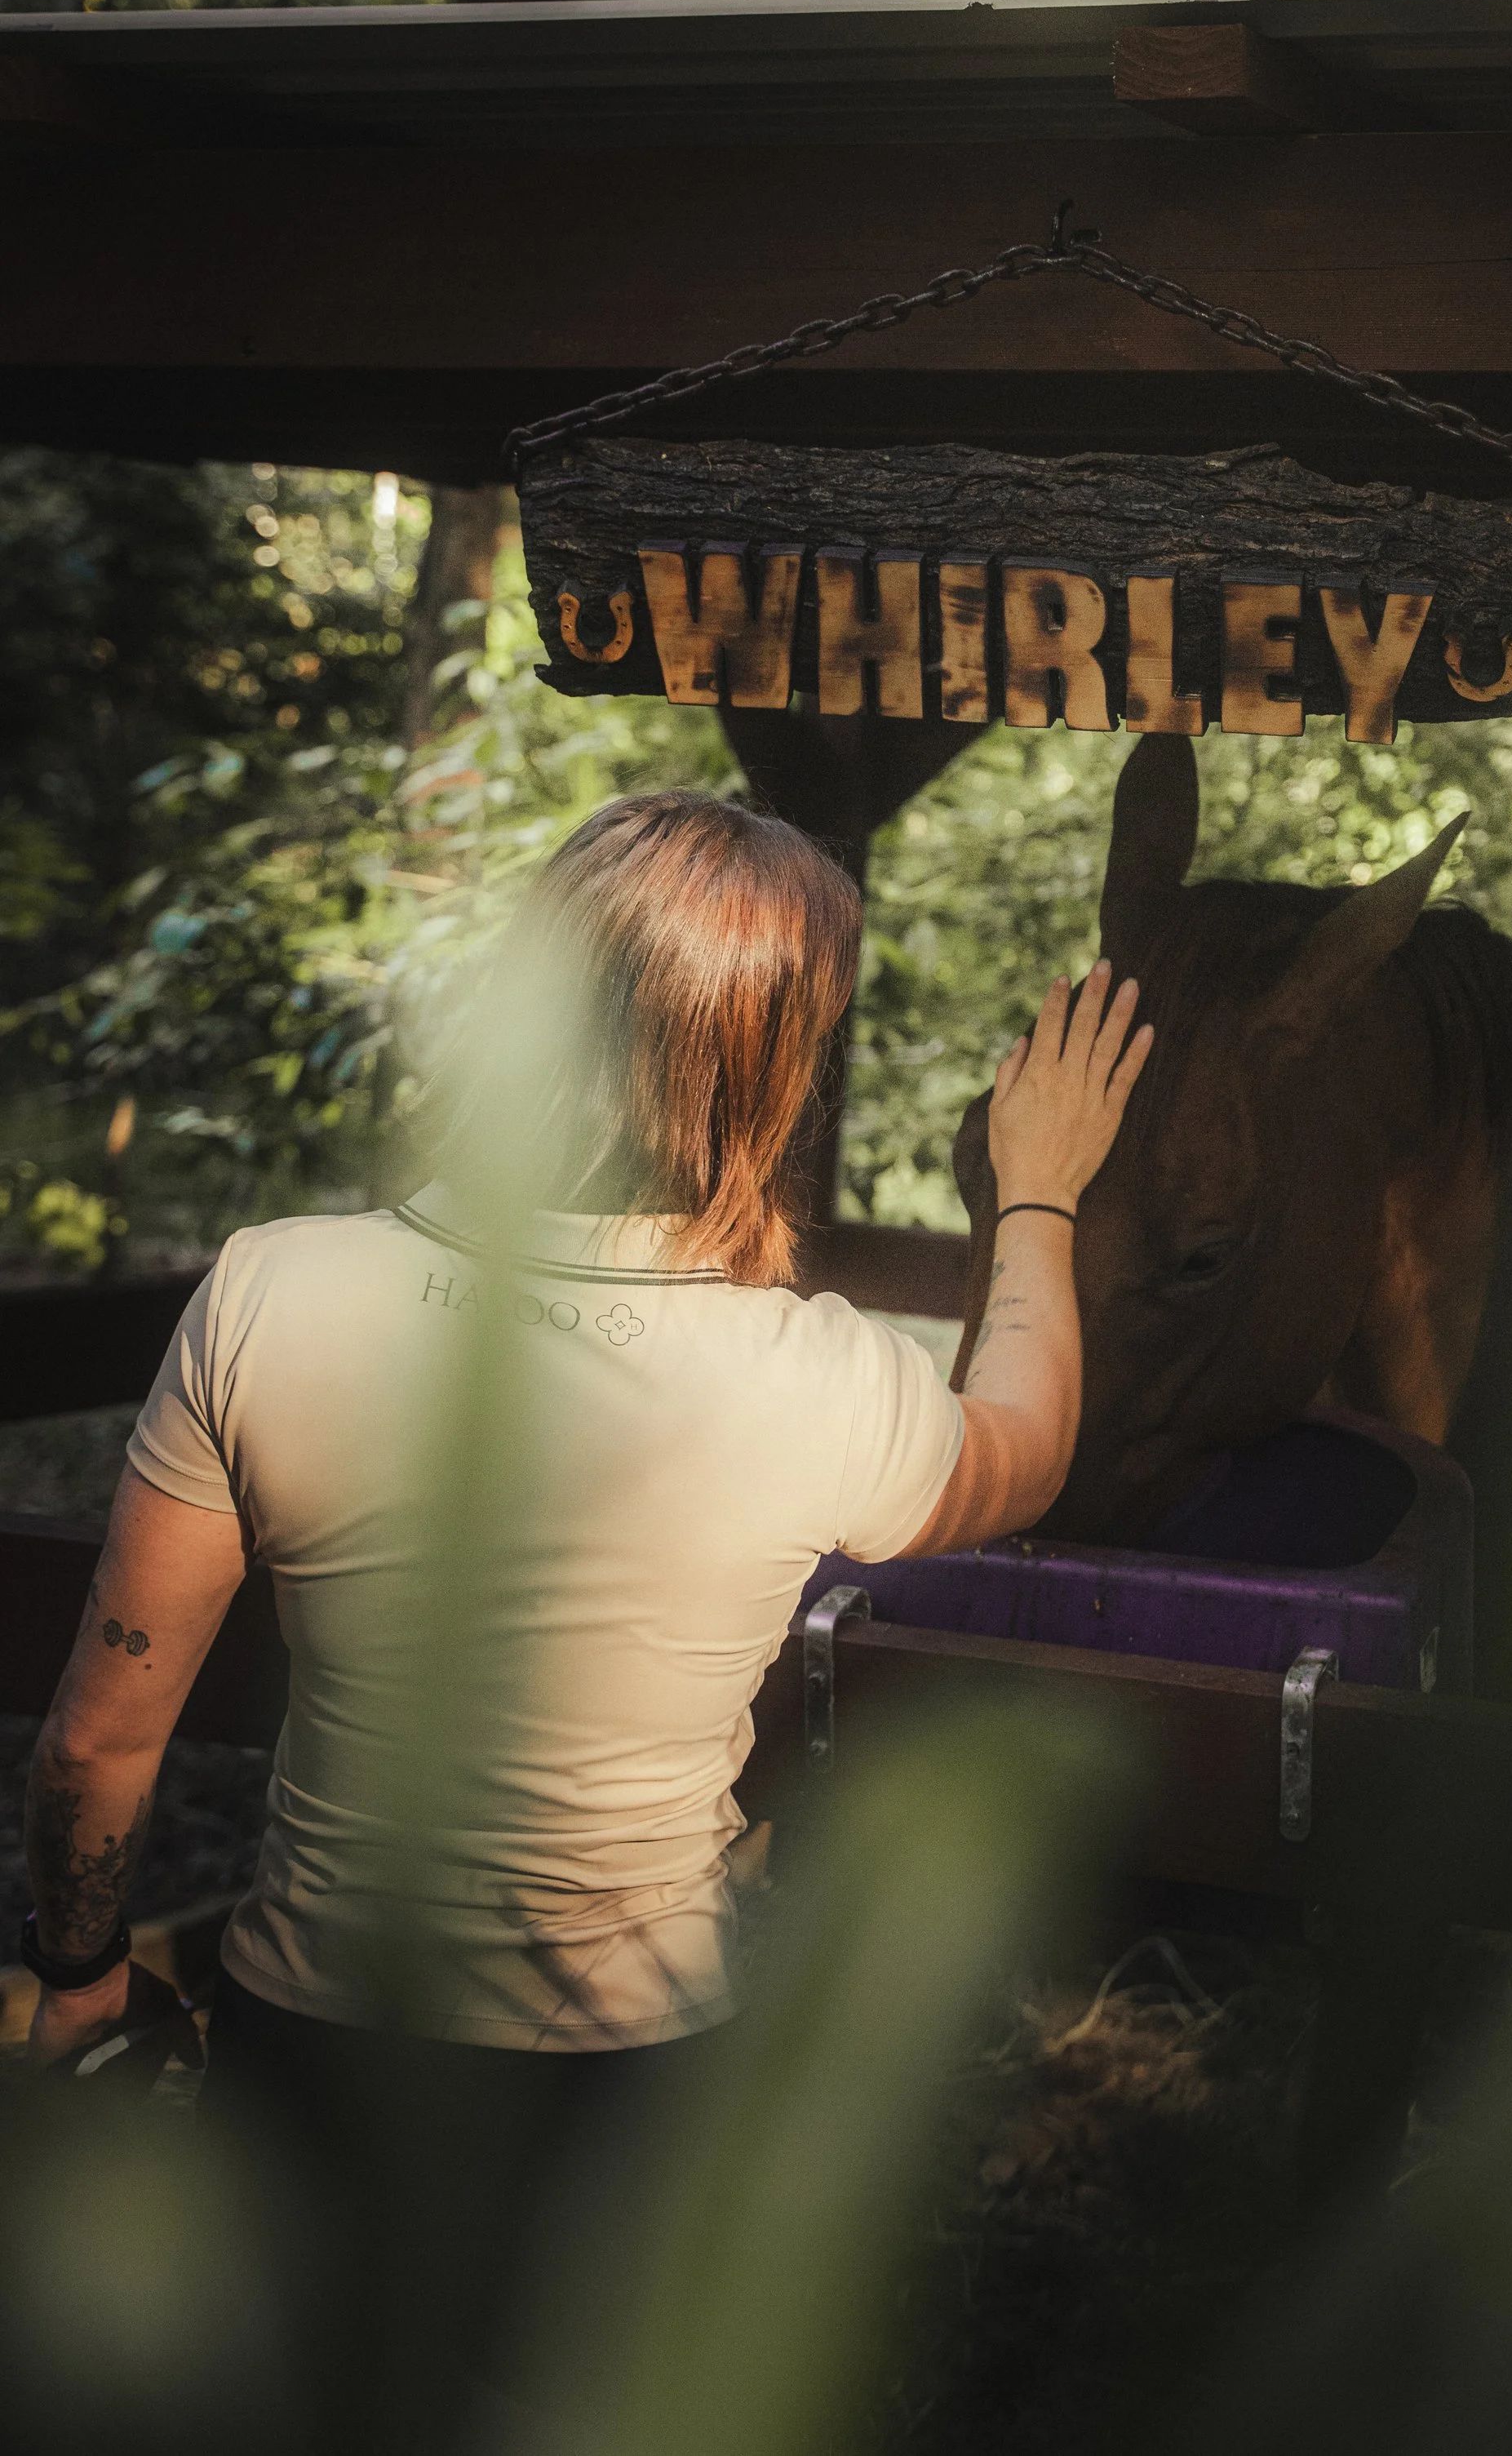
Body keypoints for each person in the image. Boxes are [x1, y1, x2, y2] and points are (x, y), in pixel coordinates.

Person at [18, 787, 1151, 2427]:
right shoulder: (819, 1380)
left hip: (311, 2050)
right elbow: (1028, 1445)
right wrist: (1036, 1192)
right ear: (782, 1067)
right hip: (630, 2096)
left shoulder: (272, 1288)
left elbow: (97, 1743)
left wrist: (76, 1973)